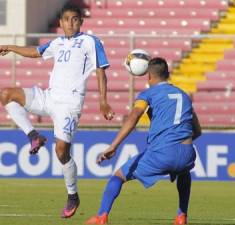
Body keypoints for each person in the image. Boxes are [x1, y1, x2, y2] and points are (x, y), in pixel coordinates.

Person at [0, 4, 114, 219]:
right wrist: (11, 47)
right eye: (66, 19)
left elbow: (100, 71)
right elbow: (35, 52)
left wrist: (103, 101)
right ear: (60, 23)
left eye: (75, 19)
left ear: (81, 22)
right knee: (6, 94)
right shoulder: (57, 42)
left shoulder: (91, 42)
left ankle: (72, 195)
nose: (70, 23)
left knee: (61, 152)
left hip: (69, 104)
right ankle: (34, 136)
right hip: (49, 97)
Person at [85, 57, 201, 225]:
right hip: (187, 152)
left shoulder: (147, 94)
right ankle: (181, 216)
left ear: (149, 77)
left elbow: (134, 116)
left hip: (163, 152)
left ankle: (101, 217)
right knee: (184, 172)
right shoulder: (185, 96)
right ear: (167, 75)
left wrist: (113, 146)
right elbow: (197, 130)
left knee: (118, 176)